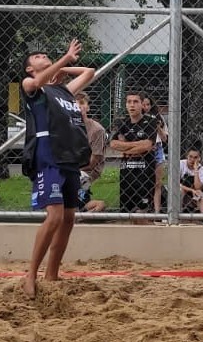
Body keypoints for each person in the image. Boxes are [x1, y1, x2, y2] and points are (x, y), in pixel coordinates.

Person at [21, 40, 96, 297]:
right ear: (30, 69)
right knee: (53, 217)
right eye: (38, 57)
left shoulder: (62, 91)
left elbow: (89, 73)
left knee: (68, 219)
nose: (44, 57)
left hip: (69, 158)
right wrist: (63, 60)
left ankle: (52, 274)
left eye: (45, 54)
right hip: (48, 156)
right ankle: (30, 274)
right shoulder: (31, 86)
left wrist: (63, 69)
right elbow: (37, 83)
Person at [109, 91, 158, 222]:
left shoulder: (150, 121)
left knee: (142, 216)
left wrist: (125, 146)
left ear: (142, 104)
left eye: (135, 102)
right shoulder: (122, 123)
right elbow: (113, 144)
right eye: (129, 102)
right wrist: (137, 146)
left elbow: (147, 145)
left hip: (144, 176)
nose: (132, 105)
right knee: (126, 216)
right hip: (126, 175)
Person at [142, 94, 168, 212]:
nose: (145, 107)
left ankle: (157, 210)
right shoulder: (137, 118)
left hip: (157, 149)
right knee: (143, 181)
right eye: (143, 104)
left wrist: (157, 126)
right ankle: (144, 207)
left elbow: (164, 138)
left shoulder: (158, 118)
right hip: (143, 150)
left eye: (148, 104)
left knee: (157, 183)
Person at [179, 146, 203, 218]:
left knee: (200, 194)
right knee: (180, 190)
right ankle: (177, 215)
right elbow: (175, 184)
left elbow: (198, 187)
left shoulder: (201, 169)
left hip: (194, 193)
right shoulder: (180, 164)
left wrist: (196, 170)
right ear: (187, 156)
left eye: (195, 157)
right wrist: (191, 190)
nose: (192, 160)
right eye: (190, 157)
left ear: (199, 158)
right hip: (182, 190)